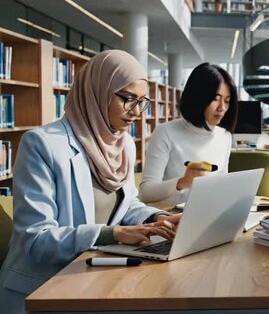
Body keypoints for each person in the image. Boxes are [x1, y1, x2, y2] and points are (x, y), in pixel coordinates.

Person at [0, 50, 180, 313]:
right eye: (128, 100)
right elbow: (36, 240)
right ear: (98, 91)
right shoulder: (42, 144)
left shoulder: (123, 143)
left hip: (95, 276)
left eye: (142, 102)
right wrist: (114, 234)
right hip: (43, 289)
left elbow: (126, 204)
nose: (137, 112)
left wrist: (159, 219)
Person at [139, 63, 238, 204]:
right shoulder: (165, 132)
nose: (222, 108)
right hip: (169, 218)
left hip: (208, 213)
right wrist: (183, 182)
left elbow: (221, 185)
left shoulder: (224, 136)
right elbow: (145, 194)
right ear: (198, 97)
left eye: (227, 101)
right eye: (215, 99)